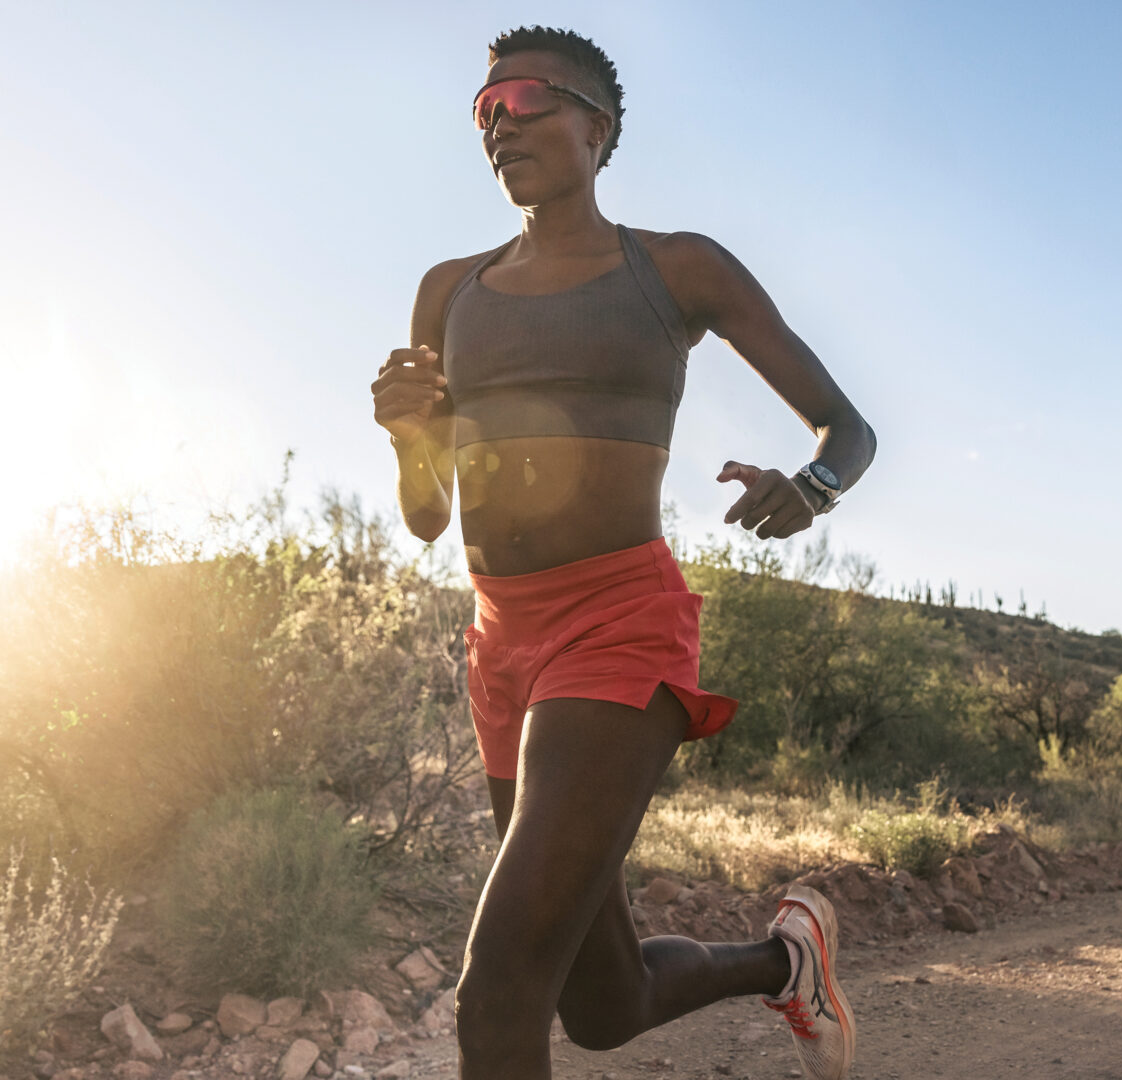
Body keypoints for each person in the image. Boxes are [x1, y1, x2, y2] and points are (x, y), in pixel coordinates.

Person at [369, 25, 876, 1080]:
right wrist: (413, 438)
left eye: (524, 103)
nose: (499, 127)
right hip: (501, 644)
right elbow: (426, 517)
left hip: (617, 622)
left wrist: (812, 487)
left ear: (595, 128)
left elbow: (847, 428)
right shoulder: (447, 291)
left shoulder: (676, 268)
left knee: (499, 988)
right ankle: (786, 962)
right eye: (482, 113)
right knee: (601, 1005)